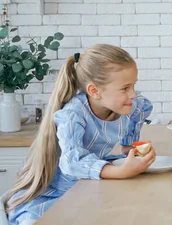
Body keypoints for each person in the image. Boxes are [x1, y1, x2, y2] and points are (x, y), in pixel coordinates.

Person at [4, 45, 155, 225]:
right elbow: (72, 162)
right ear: (94, 91)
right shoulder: (73, 115)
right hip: (58, 191)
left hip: (90, 185)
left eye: (133, 85)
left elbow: (141, 110)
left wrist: (129, 146)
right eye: (125, 88)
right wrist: (121, 171)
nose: (132, 94)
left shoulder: (131, 105)